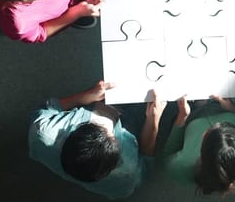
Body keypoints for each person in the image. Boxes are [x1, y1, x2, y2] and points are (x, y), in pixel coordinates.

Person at [28, 81, 167, 199]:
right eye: (113, 136)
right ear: (116, 161)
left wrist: (87, 95)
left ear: (75, 132)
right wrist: (153, 119)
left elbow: (49, 107)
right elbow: (146, 159)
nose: (108, 123)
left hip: (93, 104)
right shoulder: (127, 177)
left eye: (97, 125)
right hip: (129, 120)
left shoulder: (43, 132)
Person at [163, 95, 235, 196]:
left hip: (193, 115)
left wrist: (182, 117)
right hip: (224, 107)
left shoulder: (183, 166)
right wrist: (234, 110)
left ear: (204, 136)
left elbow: (168, 153)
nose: (218, 123)